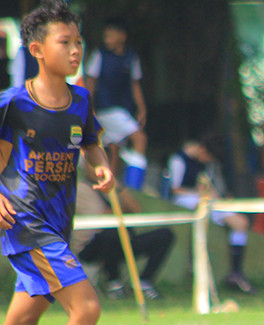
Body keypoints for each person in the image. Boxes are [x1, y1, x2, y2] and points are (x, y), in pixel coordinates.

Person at [0, 0, 115, 325]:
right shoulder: (13, 103)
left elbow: (90, 143)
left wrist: (99, 165)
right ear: (36, 50)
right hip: (26, 227)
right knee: (86, 308)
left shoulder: (80, 99)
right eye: (64, 42)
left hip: (56, 226)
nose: (75, 51)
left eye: (78, 43)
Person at [168, 135, 254, 293]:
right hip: (186, 199)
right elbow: (175, 189)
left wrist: (219, 198)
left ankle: (236, 273)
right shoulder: (178, 160)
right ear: (201, 149)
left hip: (208, 201)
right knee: (201, 212)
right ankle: (193, 266)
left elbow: (210, 186)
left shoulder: (209, 165)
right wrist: (199, 193)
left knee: (241, 223)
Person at [75, 165, 174, 301]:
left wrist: (118, 188)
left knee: (165, 235)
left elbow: (135, 209)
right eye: (94, 167)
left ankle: (144, 282)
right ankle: (114, 283)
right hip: (93, 245)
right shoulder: (80, 189)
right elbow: (103, 217)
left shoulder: (113, 186)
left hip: (123, 240)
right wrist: (123, 209)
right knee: (111, 233)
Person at [83, 17, 147, 190]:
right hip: (106, 109)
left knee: (114, 149)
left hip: (122, 109)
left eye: (111, 36)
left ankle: (113, 188)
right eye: (106, 36)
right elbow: (91, 83)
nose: (107, 40)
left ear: (122, 36)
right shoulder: (99, 55)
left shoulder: (131, 57)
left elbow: (135, 84)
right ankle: (135, 188)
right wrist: (90, 109)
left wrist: (142, 108)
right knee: (140, 139)